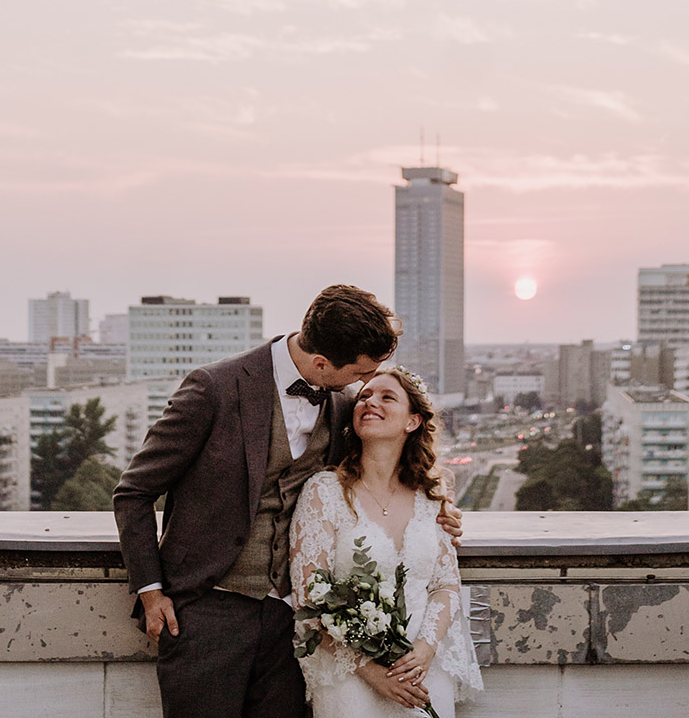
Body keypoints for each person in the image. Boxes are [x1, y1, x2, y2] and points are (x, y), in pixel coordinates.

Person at [113, 285, 463, 718]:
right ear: (320, 363)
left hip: (291, 625)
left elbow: (381, 474)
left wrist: (433, 512)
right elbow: (134, 492)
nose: (364, 387)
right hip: (204, 611)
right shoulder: (214, 389)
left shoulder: (341, 403)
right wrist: (151, 592)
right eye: (360, 375)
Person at [289, 367, 483, 717]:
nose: (369, 402)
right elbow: (309, 598)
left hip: (421, 671)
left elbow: (445, 585)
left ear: (412, 421)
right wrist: (372, 672)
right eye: (364, 396)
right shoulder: (324, 492)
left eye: (386, 397)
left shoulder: (430, 498)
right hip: (350, 677)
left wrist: (424, 650)